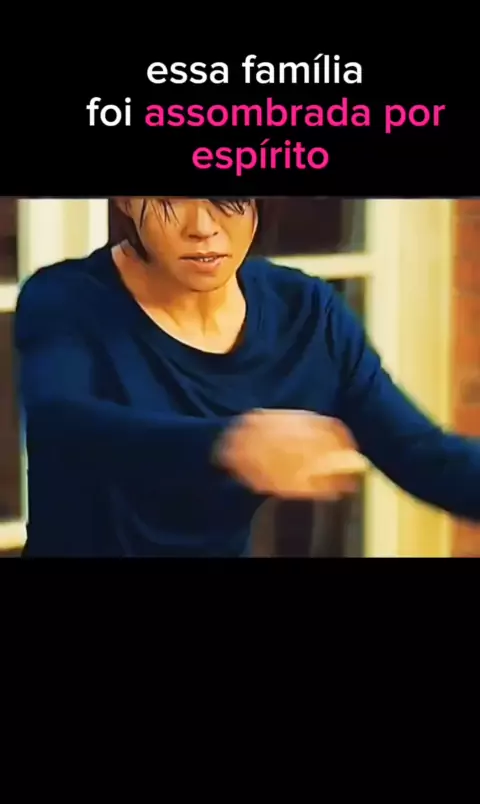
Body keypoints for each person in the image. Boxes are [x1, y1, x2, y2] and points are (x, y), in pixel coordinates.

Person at [14, 197, 480, 557]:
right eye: (174, 199)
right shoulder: (65, 300)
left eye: (227, 197)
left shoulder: (305, 315)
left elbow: (423, 455)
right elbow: (64, 425)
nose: (202, 226)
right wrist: (227, 444)